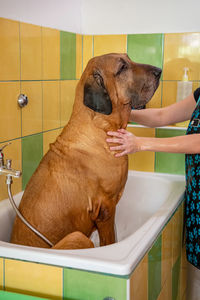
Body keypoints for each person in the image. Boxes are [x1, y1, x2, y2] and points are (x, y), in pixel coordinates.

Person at [106, 87, 200, 299]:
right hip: (197, 198)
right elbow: (162, 116)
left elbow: (198, 141)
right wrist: (124, 113)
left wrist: (140, 143)